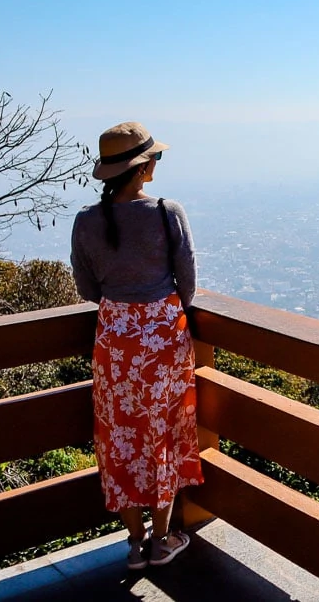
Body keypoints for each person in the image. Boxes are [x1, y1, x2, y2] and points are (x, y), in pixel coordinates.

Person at [70, 122, 202, 570]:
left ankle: (133, 543)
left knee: (119, 436)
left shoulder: (87, 221)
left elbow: (87, 287)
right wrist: (157, 314)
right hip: (163, 337)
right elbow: (189, 283)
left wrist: (125, 309)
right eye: (154, 160)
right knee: (161, 433)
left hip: (115, 338)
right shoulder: (168, 212)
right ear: (143, 168)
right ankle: (162, 541)